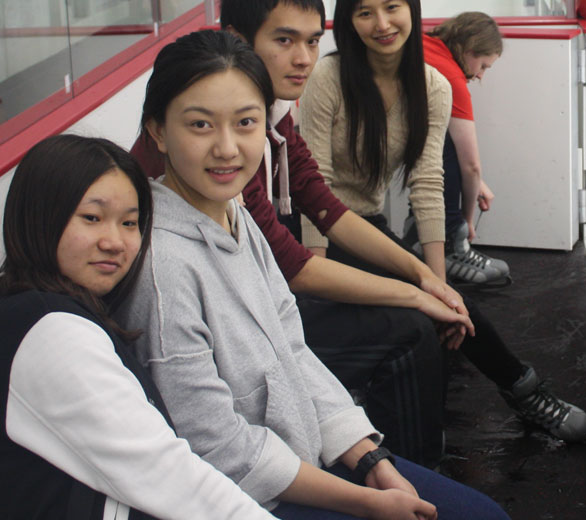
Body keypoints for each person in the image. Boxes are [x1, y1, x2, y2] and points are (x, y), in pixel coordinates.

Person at [121, 29, 509, 520]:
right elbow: (219, 449)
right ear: (157, 131)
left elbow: (294, 351)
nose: (226, 148)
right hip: (246, 496)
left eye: (245, 123)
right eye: (200, 126)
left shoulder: (233, 213)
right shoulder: (163, 268)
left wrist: (370, 458)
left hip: (304, 458)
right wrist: (369, 501)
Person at [298, 0, 586, 442]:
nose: (382, 23)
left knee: (448, 305)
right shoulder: (327, 79)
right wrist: (316, 281)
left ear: (411, 9)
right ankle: (524, 390)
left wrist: (440, 286)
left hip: (366, 222)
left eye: (391, 7)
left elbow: (427, 184)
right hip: (316, 222)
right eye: (364, 13)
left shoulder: (432, 86)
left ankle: (521, 392)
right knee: (424, 310)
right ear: (348, 22)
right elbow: (316, 186)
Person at [0, 134, 275, 519]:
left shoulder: (53, 313)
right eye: (92, 218)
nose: (115, 242)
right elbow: (171, 477)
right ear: (39, 217)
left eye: (130, 222)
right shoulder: (51, 333)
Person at [405, 12, 510, 286]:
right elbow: (470, 165)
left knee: (442, 138)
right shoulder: (450, 77)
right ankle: (452, 243)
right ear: (469, 51)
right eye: (483, 65)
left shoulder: (425, 44)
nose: (479, 75)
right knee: (448, 143)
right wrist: (466, 222)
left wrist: (478, 183)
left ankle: (419, 230)